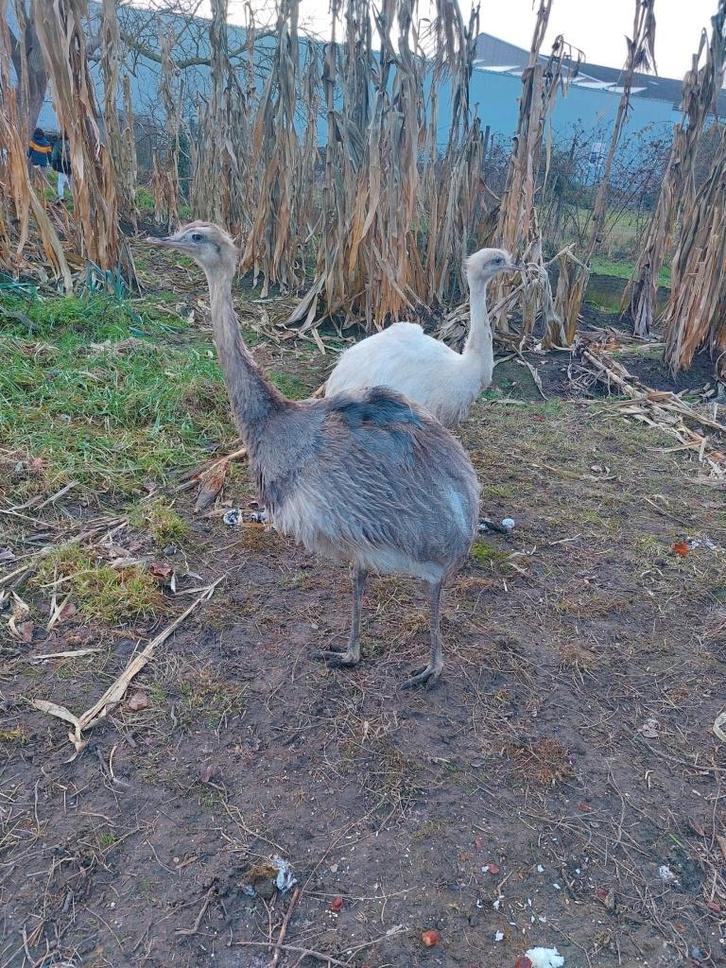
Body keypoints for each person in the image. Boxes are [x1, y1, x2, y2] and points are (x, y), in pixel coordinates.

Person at [51, 133, 72, 200]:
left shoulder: (58, 144)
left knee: (61, 182)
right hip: (71, 164)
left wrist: (54, 165)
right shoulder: (71, 143)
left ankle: (61, 197)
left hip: (62, 164)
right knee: (70, 181)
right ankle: (73, 196)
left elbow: (54, 156)